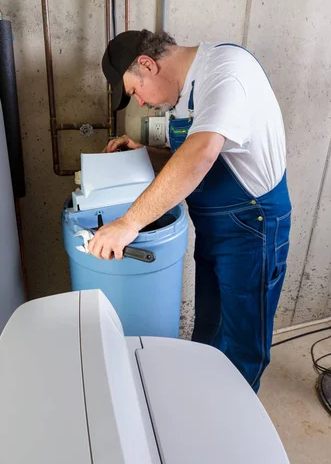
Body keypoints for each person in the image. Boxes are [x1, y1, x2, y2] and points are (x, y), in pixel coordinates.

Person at [89, 29, 291, 392]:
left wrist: (128, 223)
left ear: (148, 65)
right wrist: (142, 154)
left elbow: (201, 156)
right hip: (217, 227)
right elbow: (190, 161)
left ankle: (232, 423)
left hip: (252, 225)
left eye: (135, 91)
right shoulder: (184, 93)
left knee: (242, 340)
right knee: (210, 326)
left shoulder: (226, 72)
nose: (140, 103)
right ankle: (202, 404)